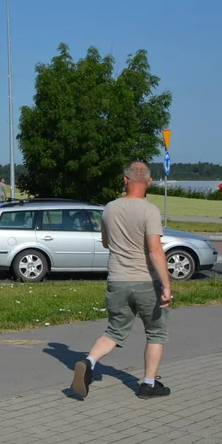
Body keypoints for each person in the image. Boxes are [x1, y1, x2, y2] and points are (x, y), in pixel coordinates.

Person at [72, 161, 172, 400]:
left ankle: (89, 361)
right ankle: (148, 385)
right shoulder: (150, 211)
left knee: (115, 331)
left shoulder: (109, 208)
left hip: (117, 280)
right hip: (146, 281)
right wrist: (167, 285)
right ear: (148, 182)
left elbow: (106, 243)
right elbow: (155, 250)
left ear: (125, 180)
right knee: (156, 333)